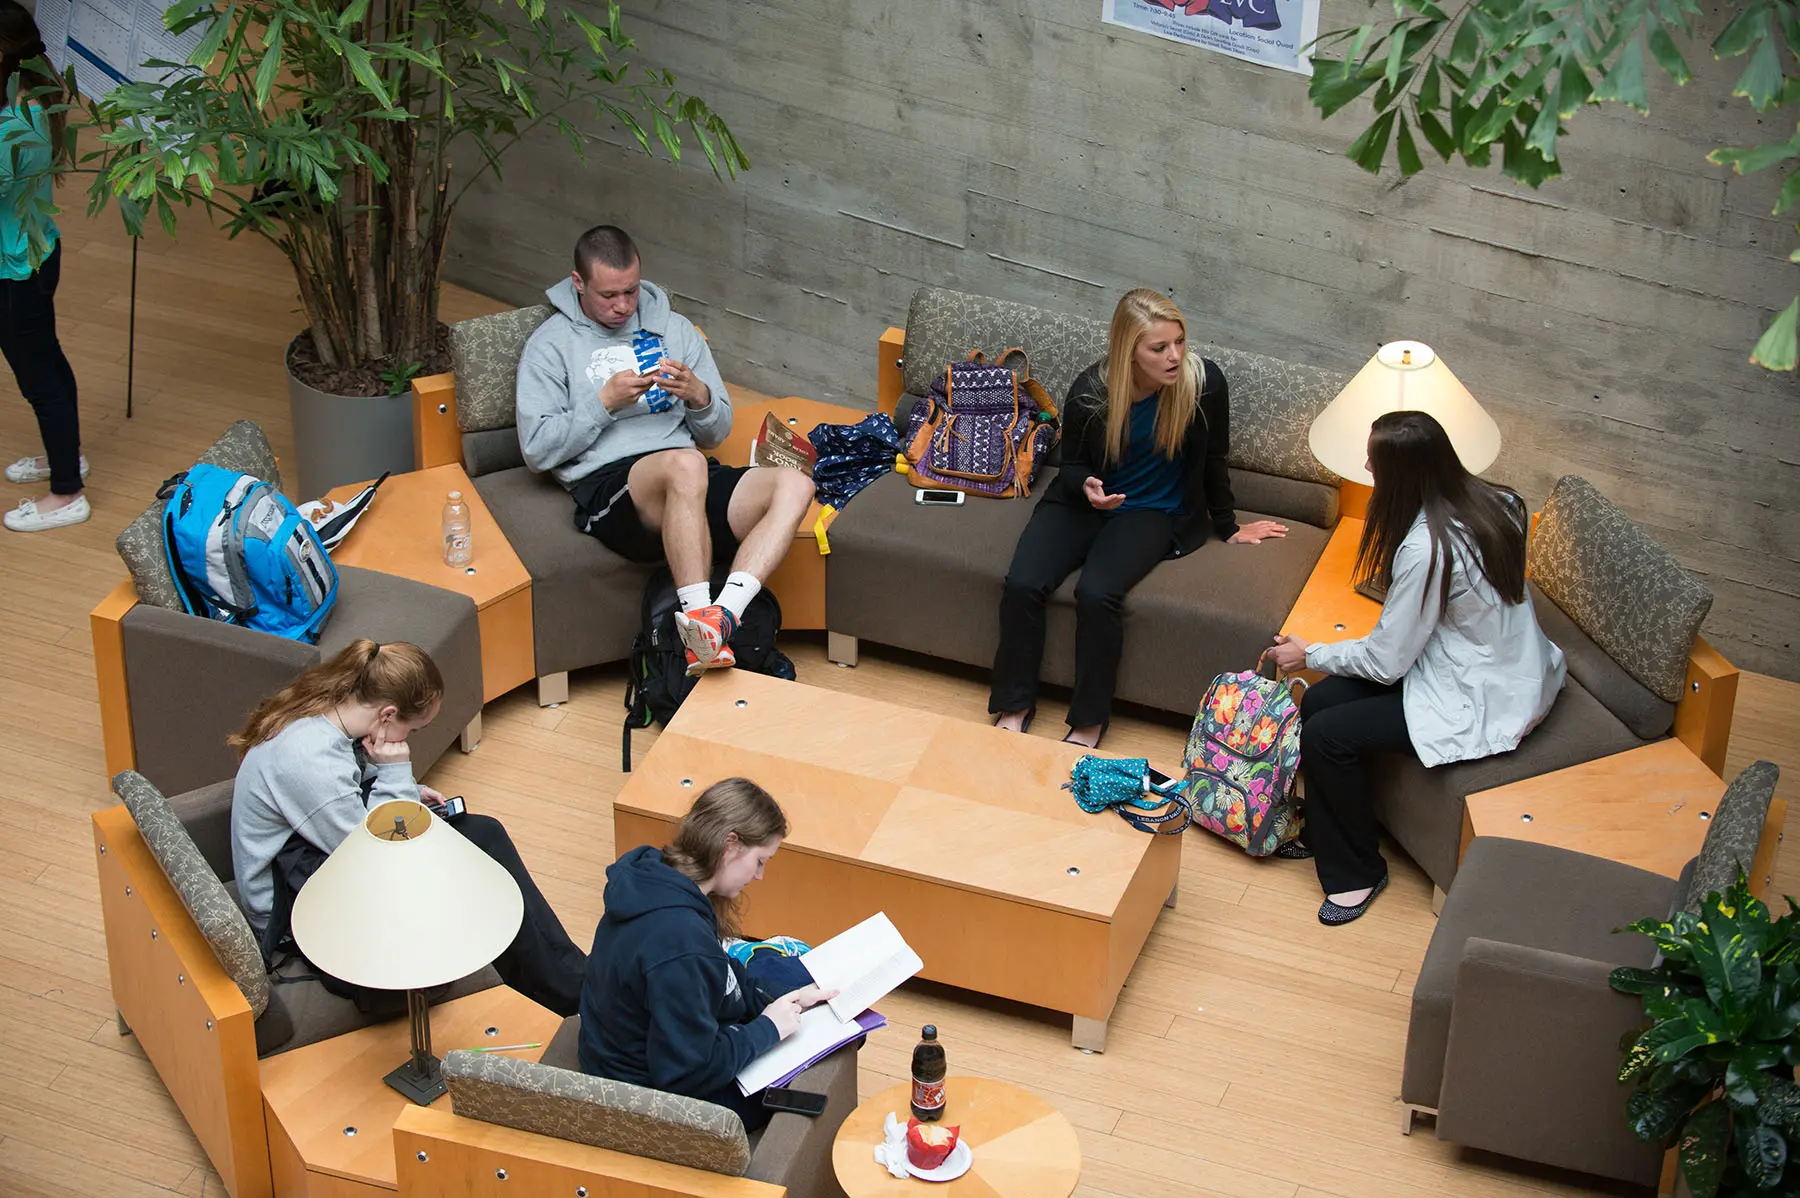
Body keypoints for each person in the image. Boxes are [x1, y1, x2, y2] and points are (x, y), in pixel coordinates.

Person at [1268, 410, 1566, 926]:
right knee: (1318, 702)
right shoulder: (1501, 500)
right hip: (1486, 660)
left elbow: (1385, 662)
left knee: (1327, 736)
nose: (1365, 465)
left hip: (1478, 692)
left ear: (1404, 473)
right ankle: (1327, 830)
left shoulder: (1428, 547)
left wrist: (1309, 653)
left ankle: (1359, 872)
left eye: (1374, 462)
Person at [989, 288, 1289, 749]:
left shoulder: (1204, 384)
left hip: (1150, 511)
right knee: (1023, 583)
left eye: (1179, 342)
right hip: (1085, 503)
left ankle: (1088, 722)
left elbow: (1214, 459)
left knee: (1097, 592)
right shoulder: (1092, 390)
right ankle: (1015, 705)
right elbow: (1071, 467)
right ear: (1129, 351)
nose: (1174, 356)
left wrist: (1228, 525)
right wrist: (1087, 486)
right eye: (1159, 348)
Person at [515, 224, 815, 676]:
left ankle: (719, 620)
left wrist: (700, 397)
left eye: (631, 292)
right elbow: (537, 450)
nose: (622, 306)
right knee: (685, 464)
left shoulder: (673, 329)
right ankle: (696, 624)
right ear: (578, 284)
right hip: (612, 487)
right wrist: (603, 405)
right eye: (608, 295)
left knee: (795, 484)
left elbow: (715, 432)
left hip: (689, 475)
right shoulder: (551, 345)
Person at [229, 639, 587, 1015]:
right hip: (302, 916)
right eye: (413, 730)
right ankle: (574, 992)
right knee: (470, 876)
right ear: (387, 716)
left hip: (326, 860)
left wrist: (409, 792)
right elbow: (379, 856)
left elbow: (344, 796)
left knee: (484, 836)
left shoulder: (327, 712)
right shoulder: (309, 761)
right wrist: (395, 770)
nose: (409, 739)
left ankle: (569, 983)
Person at [578, 778, 835, 1131]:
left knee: (797, 983)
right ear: (730, 844)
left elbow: (715, 975)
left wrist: (772, 999)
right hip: (651, 1099)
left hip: (629, 1051)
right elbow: (687, 1073)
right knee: (815, 1070)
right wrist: (767, 1029)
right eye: (760, 861)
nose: (760, 876)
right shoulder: (680, 945)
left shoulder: (657, 874)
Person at [0, 1, 86, 533]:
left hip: (14, 272)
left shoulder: (17, 122)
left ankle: (67, 494)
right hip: (33, 253)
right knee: (49, 364)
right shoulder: (29, 97)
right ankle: (66, 458)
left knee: (40, 381)